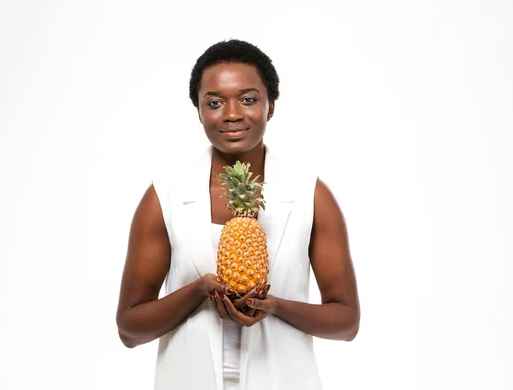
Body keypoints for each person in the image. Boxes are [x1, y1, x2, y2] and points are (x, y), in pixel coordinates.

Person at [116, 39, 360, 390]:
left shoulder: (311, 194)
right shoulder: (164, 195)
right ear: (199, 111)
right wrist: (199, 291)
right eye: (214, 103)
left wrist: (275, 306)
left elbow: (346, 322)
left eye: (248, 99)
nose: (231, 114)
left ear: (270, 106)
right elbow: (129, 329)